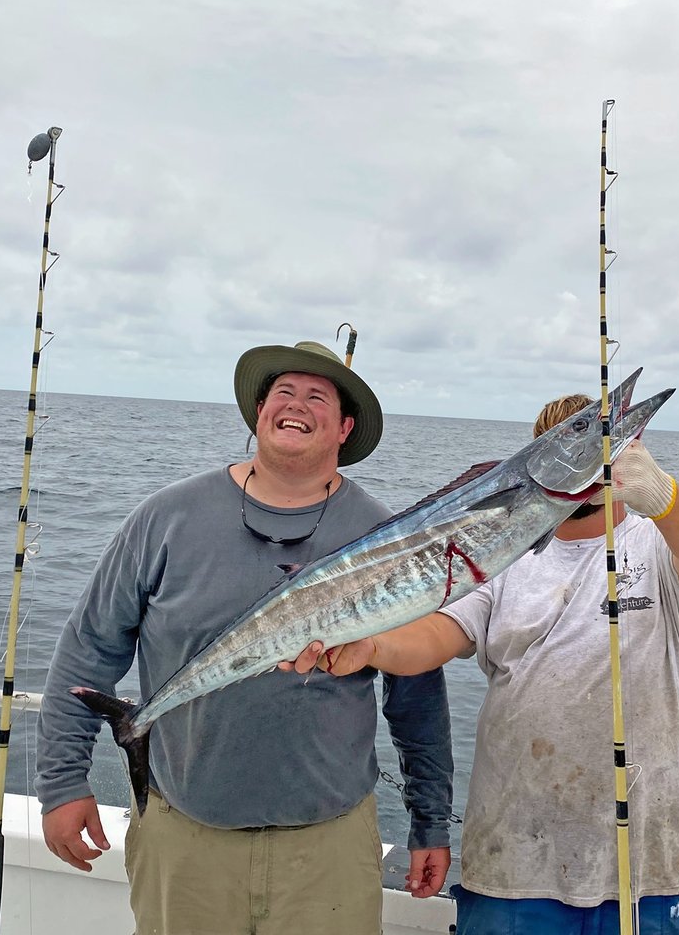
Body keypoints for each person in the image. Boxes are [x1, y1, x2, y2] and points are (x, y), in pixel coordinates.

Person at [35, 339, 454, 935]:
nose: (297, 405)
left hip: (329, 849)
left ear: (344, 428)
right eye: (283, 391)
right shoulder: (165, 519)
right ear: (259, 413)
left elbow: (416, 698)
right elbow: (88, 651)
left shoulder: (386, 538)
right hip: (183, 837)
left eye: (318, 396)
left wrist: (429, 821)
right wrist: (61, 782)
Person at [286, 392, 679, 935]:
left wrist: (661, 494)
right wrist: (372, 647)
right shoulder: (504, 552)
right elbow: (438, 634)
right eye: (573, 442)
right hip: (512, 861)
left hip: (650, 871)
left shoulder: (660, 546)